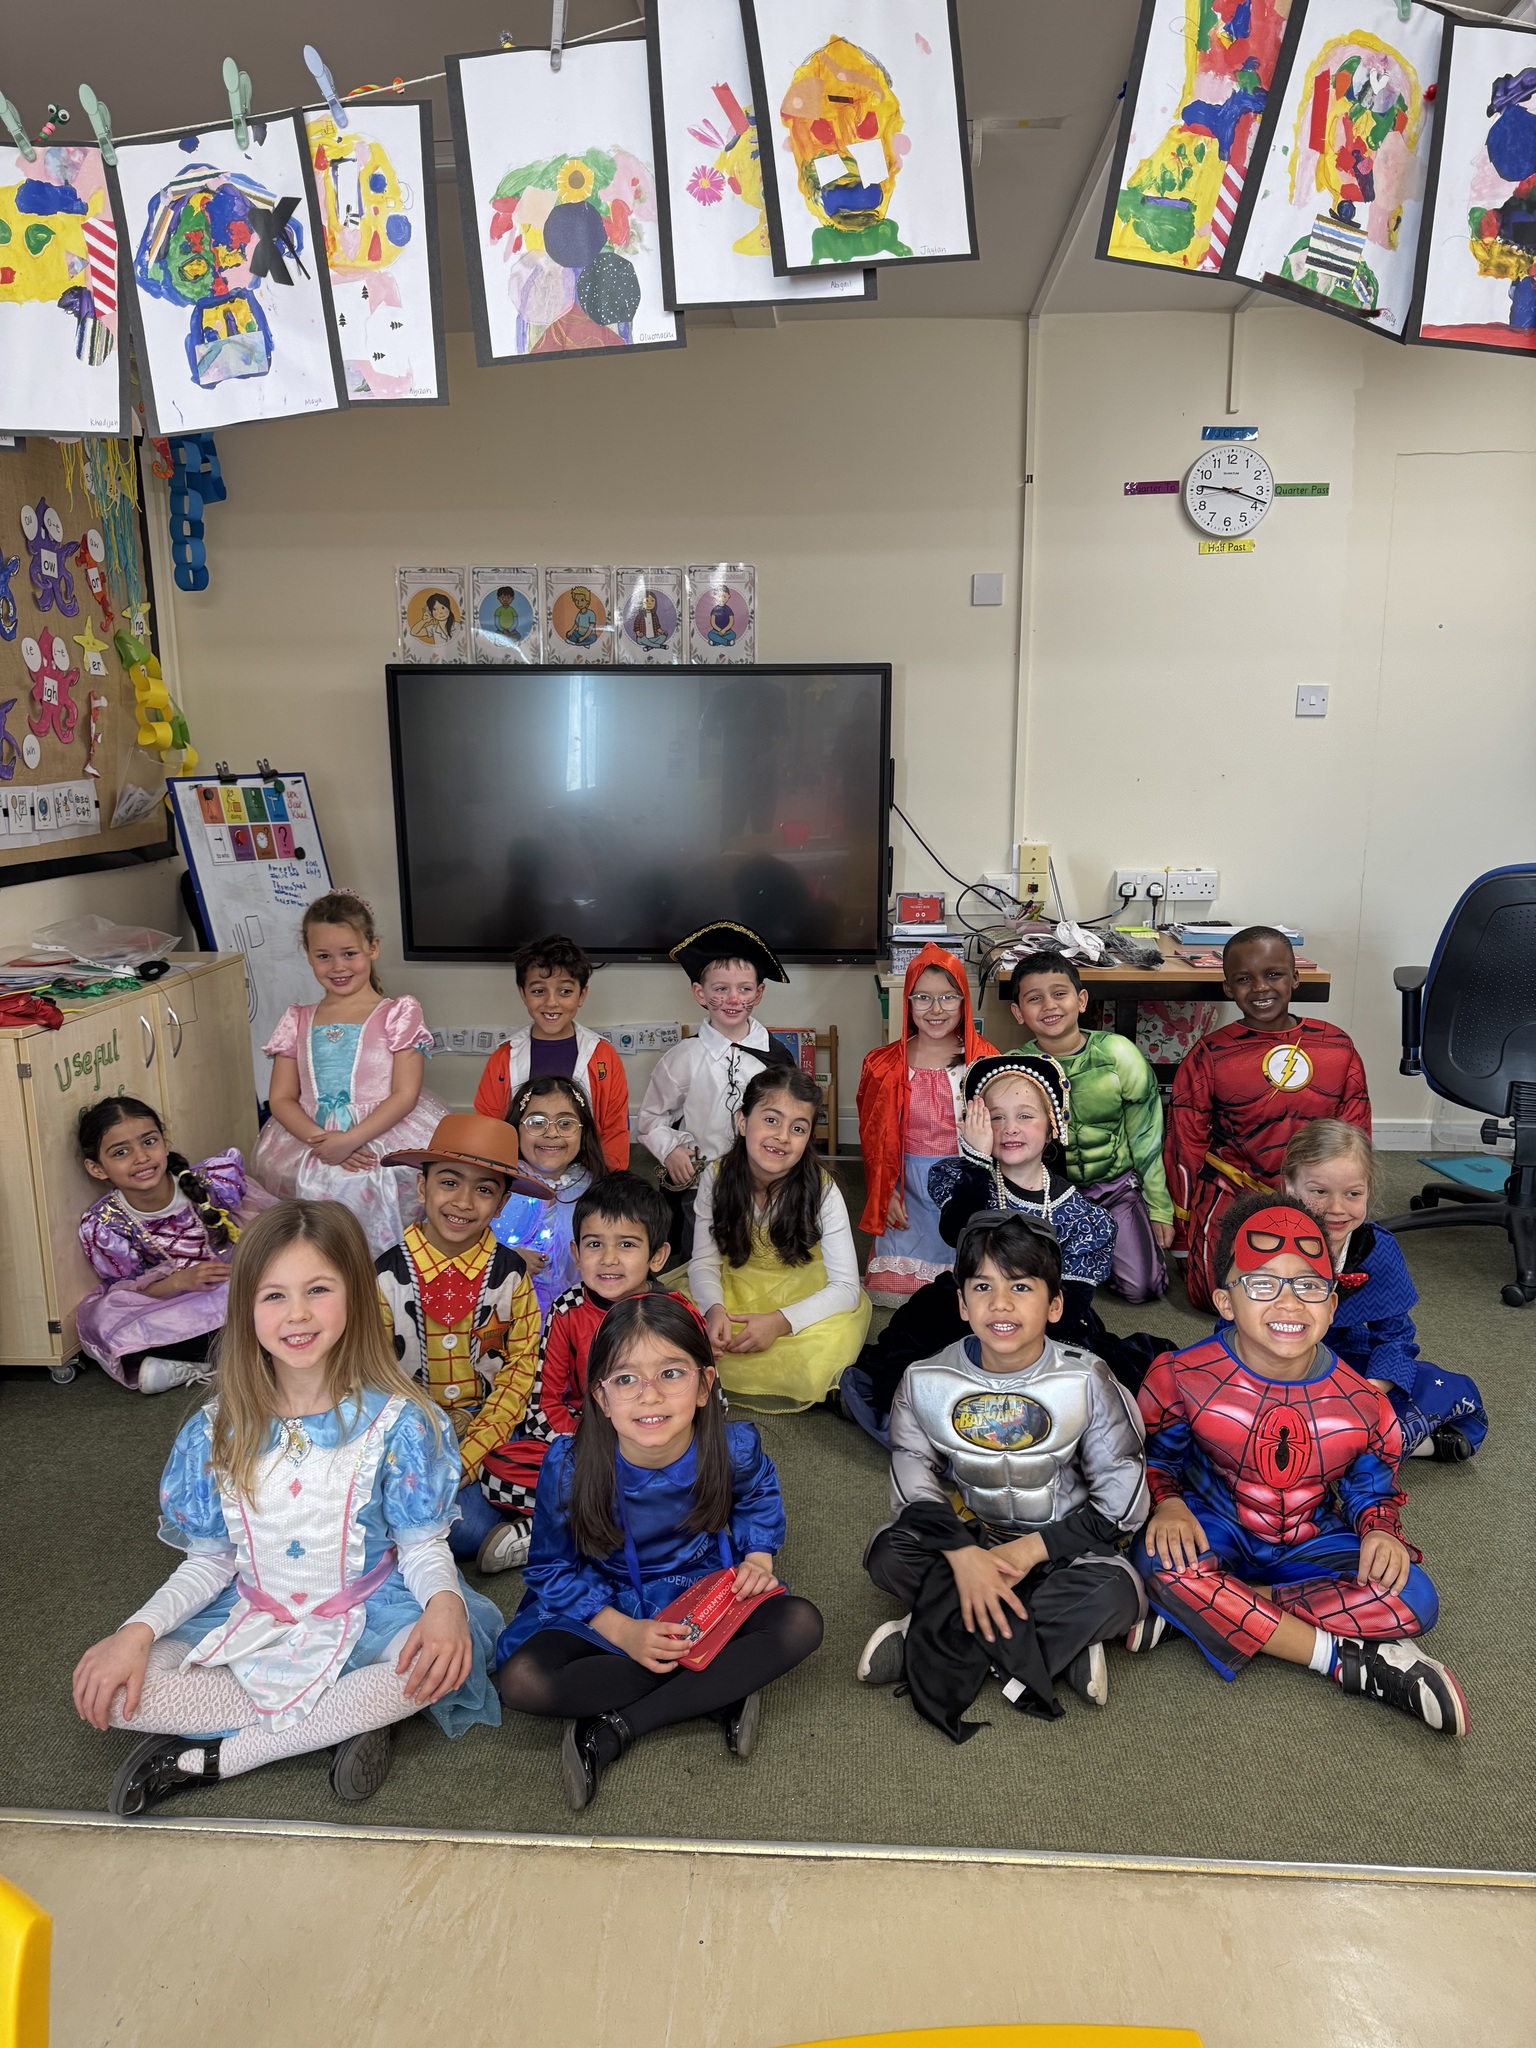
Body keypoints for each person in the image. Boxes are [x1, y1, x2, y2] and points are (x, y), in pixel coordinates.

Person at [70, 1200, 505, 1817]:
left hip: (372, 1612)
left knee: (437, 1665)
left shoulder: (402, 1422)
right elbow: (209, 1562)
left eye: (318, 1290)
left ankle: (214, 1758)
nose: (297, 1314)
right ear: (245, 1309)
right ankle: (337, 1720)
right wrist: (135, 1632)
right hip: (255, 1609)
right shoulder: (215, 1430)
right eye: (273, 1296)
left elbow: (420, 1546)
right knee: (116, 1692)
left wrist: (444, 1606)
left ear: (355, 1297)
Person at [1130, 1193, 1467, 1737]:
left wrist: (1380, 1531)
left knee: (1416, 1597)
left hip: (1311, 1539)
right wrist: (1168, 1505)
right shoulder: (1179, 1375)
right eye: (1262, 1284)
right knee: (1157, 1561)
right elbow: (1154, 1461)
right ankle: (1339, 1658)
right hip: (1216, 1528)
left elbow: (1371, 1490)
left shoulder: (1365, 1401)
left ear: (1332, 1305)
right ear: (1224, 1301)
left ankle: (1206, 1607)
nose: (1289, 1304)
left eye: (1309, 1286)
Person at [495, 1293, 824, 1810]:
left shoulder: (733, 1447)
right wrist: (623, 1631)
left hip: (699, 1587)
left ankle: (616, 1726)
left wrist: (759, 1556)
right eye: (626, 1379)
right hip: (602, 1598)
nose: (649, 1396)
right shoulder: (571, 1464)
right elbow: (551, 1568)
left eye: (671, 1374)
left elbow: (758, 1492)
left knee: (801, 1623)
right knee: (522, 1681)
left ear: (704, 1385)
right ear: (601, 1398)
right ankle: (720, 1687)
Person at [857, 1214, 1148, 1740]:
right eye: (983, 1287)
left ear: (1054, 1305)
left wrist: (1030, 1551)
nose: (1001, 1304)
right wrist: (965, 1557)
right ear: (962, 1303)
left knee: (1118, 1592)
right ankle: (1051, 1650)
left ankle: (932, 1630)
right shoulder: (925, 1380)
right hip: (978, 1538)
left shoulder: (1087, 1379)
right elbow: (912, 1486)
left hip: (1067, 1548)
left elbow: (1122, 1504)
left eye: (1021, 1287)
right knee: (887, 1552)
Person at [839, 1055, 1126, 1445]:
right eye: (995, 1117)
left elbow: (1071, 1300)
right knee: (918, 1371)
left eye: (1025, 1116)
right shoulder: (965, 1180)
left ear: (1053, 1125)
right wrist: (975, 1161)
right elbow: (956, 1231)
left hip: (1047, 1322)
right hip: (966, 1308)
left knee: (1074, 1400)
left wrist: (1013, 1349)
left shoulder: (1085, 1217)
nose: (1009, 1128)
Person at [375, 1114, 552, 1576]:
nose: (463, 1202)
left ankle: (536, 1527)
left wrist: (466, 1460)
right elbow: (372, 1376)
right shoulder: (385, 1277)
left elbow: (520, 1368)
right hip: (409, 1428)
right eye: (449, 1182)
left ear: (502, 1203)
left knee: (466, 1528)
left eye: (484, 1190)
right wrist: (415, 1448)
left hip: (487, 1424)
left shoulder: (511, 1276)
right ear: (422, 1187)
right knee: (387, 1510)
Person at [1164, 925, 1370, 1312]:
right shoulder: (1210, 1054)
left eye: (1274, 974)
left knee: (1332, 1293)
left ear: (1295, 977)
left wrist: (1341, 1201)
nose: (1260, 988)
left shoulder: (1337, 1047)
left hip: (1313, 1192)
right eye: (1245, 979)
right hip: (1235, 1187)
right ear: (1228, 987)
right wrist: (1182, 1224)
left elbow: (1355, 1137)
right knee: (1214, 1298)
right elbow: (1185, 1144)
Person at [252, 890, 448, 1258]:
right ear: (308, 954)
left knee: (377, 1187)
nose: (338, 966)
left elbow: (405, 1094)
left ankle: (382, 1280)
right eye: (323, 956)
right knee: (310, 1231)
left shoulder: (398, 1014)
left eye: (349, 953)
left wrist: (350, 1140)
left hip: (382, 1131)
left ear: (373, 948)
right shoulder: (297, 1019)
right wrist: (323, 1141)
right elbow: (280, 1098)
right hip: (310, 1138)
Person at [1281, 1120, 1487, 1463]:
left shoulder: (1379, 1248)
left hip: (1346, 1361)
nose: (1336, 1208)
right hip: (1275, 1362)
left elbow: (1395, 1337)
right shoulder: (1265, 1241)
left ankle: (1421, 1445)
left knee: (1443, 1388)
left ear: (1369, 1191)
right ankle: (1364, 1447)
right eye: (1319, 1192)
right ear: (1290, 1187)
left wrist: (1371, 1392)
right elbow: (1239, 1326)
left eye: (1353, 1194)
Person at [477, 1172, 675, 1521]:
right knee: (496, 1470)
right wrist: (591, 1444)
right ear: (576, 1254)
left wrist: (645, 1442)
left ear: (657, 1257)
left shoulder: (676, 1314)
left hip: (655, 1440)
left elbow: (706, 1399)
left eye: (627, 1245)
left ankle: (581, 1519)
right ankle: (621, 1512)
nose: (609, 1258)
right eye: (595, 1244)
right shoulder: (566, 1310)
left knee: (712, 1462)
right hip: (583, 1440)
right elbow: (543, 1405)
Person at [690, 1066, 871, 1412]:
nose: (783, 1137)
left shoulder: (822, 1190)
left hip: (802, 1289)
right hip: (734, 1287)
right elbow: (703, 1262)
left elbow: (846, 1288)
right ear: (742, 1122)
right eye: (771, 1120)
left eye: (798, 1128)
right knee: (679, 1328)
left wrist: (780, 1323)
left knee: (830, 1340)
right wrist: (713, 1310)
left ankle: (824, 1382)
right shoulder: (716, 1178)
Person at [75, 1097, 273, 1395]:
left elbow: (259, 1228)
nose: (141, 1157)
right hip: (173, 1299)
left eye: (149, 1142)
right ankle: (240, 1352)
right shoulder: (105, 1223)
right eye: (121, 1152)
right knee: (106, 1319)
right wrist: (179, 1282)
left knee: (271, 1294)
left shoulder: (211, 1181)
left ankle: (206, 1358)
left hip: (234, 1278)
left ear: (164, 1142)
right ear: (97, 1168)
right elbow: (130, 1292)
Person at [1008, 950, 1174, 1303]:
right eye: (1034, 999)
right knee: (1033, 1286)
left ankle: (1117, 1246)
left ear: (1081, 1000)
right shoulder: (1014, 1067)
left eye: (1060, 993)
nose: (1049, 1005)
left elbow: (1146, 1136)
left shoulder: (1118, 1054)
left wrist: (1160, 1209)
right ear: (1018, 1013)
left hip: (1114, 1189)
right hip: (1047, 1195)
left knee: (1142, 1288)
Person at [637, 921, 798, 1256]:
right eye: (721, 989)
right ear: (700, 993)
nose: (733, 999)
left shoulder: (776, 1058)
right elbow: (651, 1119)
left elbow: (792, 1118)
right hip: (701, 1185)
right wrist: (670, 1150)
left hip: (762, 1181)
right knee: (701, 1255)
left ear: (759, 993)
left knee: (758, 1252)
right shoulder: (683, 1057)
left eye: (744, 989)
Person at [857, 942, 998, 1309]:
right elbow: (874, 1139)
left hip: (963, 1185)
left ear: (964, 1001)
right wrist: (884, 1193)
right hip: (906, 1187)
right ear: (908, 1001)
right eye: (923, 998)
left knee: (971, 1279)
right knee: (896, 1287)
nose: (936, 1010)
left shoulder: (985, 1062)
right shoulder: (883, 1065)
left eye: (948, 998)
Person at [473, 933, 629, 1170]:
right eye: (538, 991)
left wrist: (608, 1186)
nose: (551, 1002)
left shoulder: (603, 1056)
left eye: (565, 991)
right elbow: (488, 1128)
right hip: (518, 1178)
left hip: (589, 1178)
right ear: (523, 994)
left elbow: (615, 1130)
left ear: (582, 995)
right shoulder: (503, 1058)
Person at [488, 1075, 608, 1319]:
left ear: (583, 1133)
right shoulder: (495, 1186)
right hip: (503, 1318)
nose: (552, 1133)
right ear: (516, 1129)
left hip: (579, 1318)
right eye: (536, 1122)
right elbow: (459, 1248)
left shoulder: (597, 1191)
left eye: (565, 1124)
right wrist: (506, 1260)